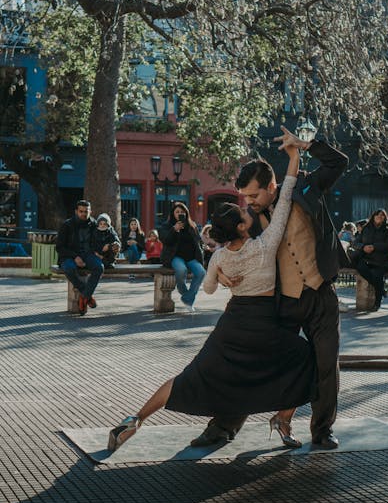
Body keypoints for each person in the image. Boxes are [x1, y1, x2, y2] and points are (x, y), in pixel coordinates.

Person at [108, 140, 316, 452]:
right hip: (263, 326)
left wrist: (220, 277)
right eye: (243, 212)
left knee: (187, 378)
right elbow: (285, 195)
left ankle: (134, 419)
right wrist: (294, 157)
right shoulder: (264, 246)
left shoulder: (218, 257)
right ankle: (282, 418)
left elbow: (207, 289)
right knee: (308, 359)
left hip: (231, 327)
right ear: (242, 227)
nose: (247, 209)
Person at [191, 127, 349, 450]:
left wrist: (306, 145)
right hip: (283, 301)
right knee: (255, 361)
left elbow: (339, 163)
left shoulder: (305, 185)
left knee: (325, 363)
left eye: (253, 195)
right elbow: (230, 250)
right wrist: (221, 274)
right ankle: (223, 426)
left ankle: (322, 429)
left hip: (320, 293)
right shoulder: (249, 219)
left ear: (272, 185)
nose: (248, 203)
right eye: (245, 197)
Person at [56, 200, 103, 316]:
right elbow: (59, 247)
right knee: (69, 268)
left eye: (86, 211)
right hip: (69, 255)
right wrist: (75, 256)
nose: (83, 214)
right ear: (76, 211)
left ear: (90, 211)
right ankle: (87, 295)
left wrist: (103, 250)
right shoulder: (67, 225)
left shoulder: (94, 224)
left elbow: (104, 237)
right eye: (81, 211)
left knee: (99, 267)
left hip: (88, 255)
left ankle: (84, 297)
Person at [160, 202, 206, 312]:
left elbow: (198, 241)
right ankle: (186, 294)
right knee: (181, 270)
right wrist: (174, 229)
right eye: (177, 212)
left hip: (191, 257)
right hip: (175, 257)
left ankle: (187, 298)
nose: (180, 214)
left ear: (186, 213)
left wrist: (202, 250)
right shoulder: (166, 226)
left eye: (182, 212)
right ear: (173, 214)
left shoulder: (192, 225)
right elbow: (165, 240)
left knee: (201, 272)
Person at [353, 209, 388, 311]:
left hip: (382, 260)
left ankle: (377, 303)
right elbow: (355, 242)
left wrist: (374, 247)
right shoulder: (366, 228)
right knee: (360, 267)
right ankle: (382, 290)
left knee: (377, 275)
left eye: (382, 215)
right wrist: (363, 247)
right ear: (373, 216)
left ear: (385, 218)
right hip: (366, 258)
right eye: (377, 214)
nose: (379, 216)